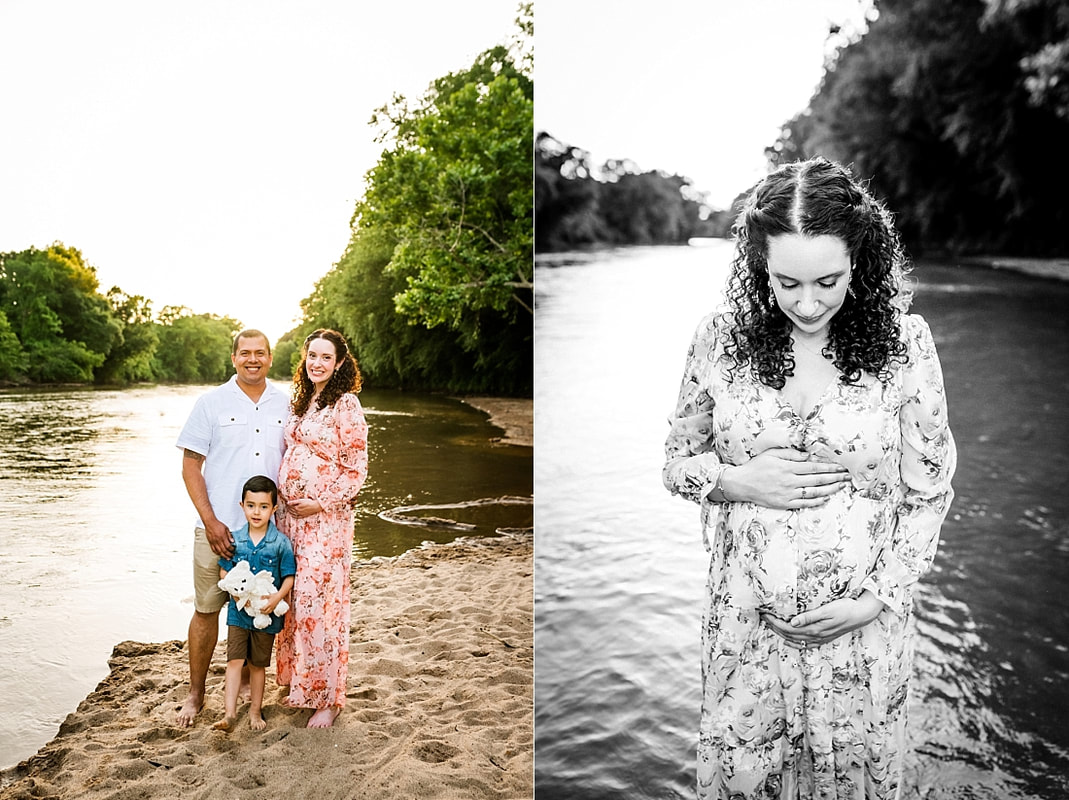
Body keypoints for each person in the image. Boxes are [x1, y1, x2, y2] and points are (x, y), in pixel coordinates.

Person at [663, 157, 956, 799]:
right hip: (746, 627)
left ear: (861, 260)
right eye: (784, 281)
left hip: (863, 634)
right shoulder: (720, 340)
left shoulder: (906, 346)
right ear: (758, 265)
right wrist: (738, 482)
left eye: (828, 280)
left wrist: (876, 598)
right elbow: (676, 465)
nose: (806, 303)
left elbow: (929, 493)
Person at [174, 329, 289, 728]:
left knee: (260, 611)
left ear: (270, 358)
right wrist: (211, 521)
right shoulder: (211, 403)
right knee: (207, 611)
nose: (252, 359)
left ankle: (245, 686)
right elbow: (191, 466)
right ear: (234, 357)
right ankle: (196, 692)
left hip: (268, 534)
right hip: (218, 528)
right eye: (245, 353)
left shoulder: (287, 404)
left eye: (260, 353)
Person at [275, 328, 369, 729]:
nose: (317, 363)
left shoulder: (346, 405)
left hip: (325, 522)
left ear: (340, 363)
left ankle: (327, 698)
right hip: (290, 521)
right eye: (312, 355)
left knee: (320, 603)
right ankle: (300, 682)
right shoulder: (303, 400)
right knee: (296, 602)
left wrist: (320, 501)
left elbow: (356, 469)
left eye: (325, 357)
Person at [213, 475, 295, 732]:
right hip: (239, 614)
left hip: (267, 613)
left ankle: (255, 712)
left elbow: (289, 577)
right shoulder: (235, 540)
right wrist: (235, 594)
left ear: (274, 508)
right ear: (242, 506)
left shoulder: (280, 542)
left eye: (262, 506)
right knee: (234, 661)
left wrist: (277, 598)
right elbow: (224, 573)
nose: (256, 512)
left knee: (258, 665)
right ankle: (228, 714)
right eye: (251, 505)